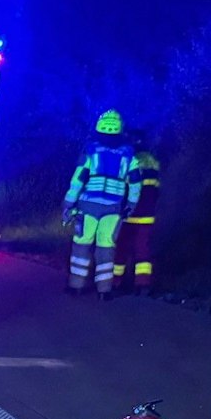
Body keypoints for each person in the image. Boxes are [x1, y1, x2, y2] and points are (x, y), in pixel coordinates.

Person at [62, 110, 139, 298]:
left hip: (88, 206)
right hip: (114, 208)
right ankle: (104, 290)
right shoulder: (129, 157)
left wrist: (68, 204)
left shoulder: (90, 152)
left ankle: (76, 286)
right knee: (106, 247)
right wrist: (130, 205)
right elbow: (135, 185)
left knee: (82, 245)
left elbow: (77, 180)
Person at [119, 142, 162, 294]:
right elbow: (155, 193)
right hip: (147, 216)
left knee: (121, 250)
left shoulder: (129, 162)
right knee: (142, 250)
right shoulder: (153, 164)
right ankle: (142, 284)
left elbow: (123, 190)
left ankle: (116, 282)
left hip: (128, 215)